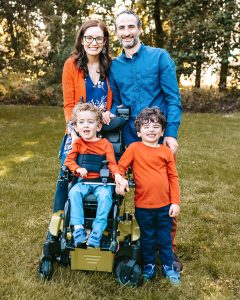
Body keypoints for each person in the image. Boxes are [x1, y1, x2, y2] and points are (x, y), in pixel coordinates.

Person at [107, 10, 183, 270]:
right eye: (121, 28)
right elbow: (117, 105)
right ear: (116, 33)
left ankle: (167, 252)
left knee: (163, 192)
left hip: (158, 138)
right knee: (135, 194)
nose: (126, 32)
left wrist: (170, 133)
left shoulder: (159, 57)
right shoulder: (114, 67)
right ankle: (132, 244)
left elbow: (172, 98)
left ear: (139, 29)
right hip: (130, 141)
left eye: (131, 26)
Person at [53, 19, 114, 213]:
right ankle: (59, 219)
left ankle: (99, 220)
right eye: (89, 37)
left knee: (101, 175)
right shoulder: (71, 65)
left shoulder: (111, 65)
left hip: (102, 130)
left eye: (98, 38)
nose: (93, 42)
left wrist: (108, 113)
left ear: (104, 41)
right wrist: (74, 132)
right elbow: (69, 104)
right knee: (68, 172)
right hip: (78, 127)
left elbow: (117, 97)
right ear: (81, 40)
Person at [117, 107, 181, 284]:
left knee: (164, 238)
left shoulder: (165, 152)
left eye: (156, 126)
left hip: (164, 206)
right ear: (138, 132)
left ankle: (168, 267)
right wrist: (119, 179)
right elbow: (120, 167)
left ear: (162, 131)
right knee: (147, 237)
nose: (151, 130)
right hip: (144, 206)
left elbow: (173, 178)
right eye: (146, 126)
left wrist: (175, 202)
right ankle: (149, 265)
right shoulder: (134, 148)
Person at [64, 102, 126, 248]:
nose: (86, 125)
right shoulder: (78, 143)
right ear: (77, 127)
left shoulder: (105, 144)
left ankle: (97, 231)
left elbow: (111, 164)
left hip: (102, 183)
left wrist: (117, 175)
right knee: (74, 192)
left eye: (90, 122)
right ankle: (78, 229)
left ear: (98, 126)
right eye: (81, 122)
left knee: (105, 196)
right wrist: (77, 169)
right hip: (83, 182)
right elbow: (68, 160)